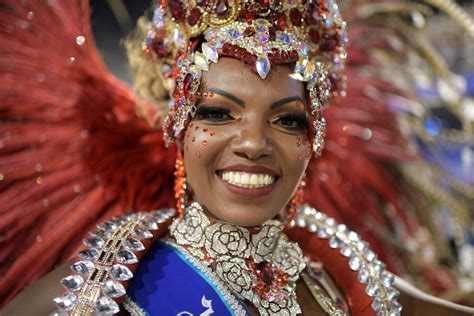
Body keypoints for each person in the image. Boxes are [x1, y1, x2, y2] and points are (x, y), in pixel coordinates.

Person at [1, 0, 474, 315]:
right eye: (217, 113)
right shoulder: (100, 288)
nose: (253, 143)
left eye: (288, 120)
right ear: (178, 127)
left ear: (313, 141)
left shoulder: (342, 271)